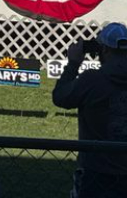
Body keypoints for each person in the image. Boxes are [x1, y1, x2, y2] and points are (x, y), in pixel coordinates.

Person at [52, 23, 127, 196]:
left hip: (97, 172)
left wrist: (73, 64)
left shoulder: (92, 80)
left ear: (104, 50)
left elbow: (61, 97)